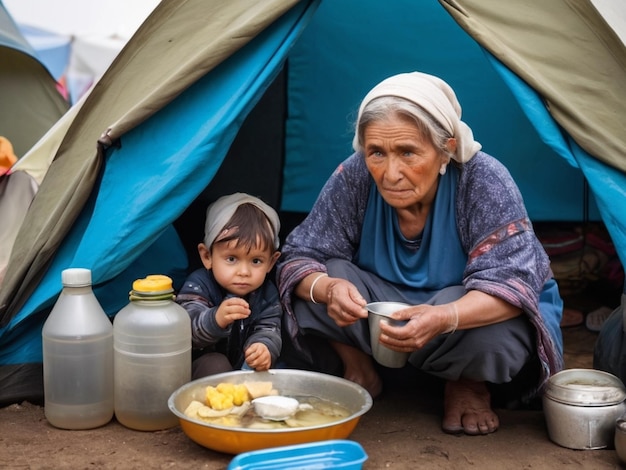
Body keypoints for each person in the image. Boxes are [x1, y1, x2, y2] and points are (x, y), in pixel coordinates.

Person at [277, 72, 563, 436]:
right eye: (376, 153)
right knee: (313, 283)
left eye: (408, 152)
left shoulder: (483, 180)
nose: (391, 173)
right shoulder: (355, 176)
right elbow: (299, 256)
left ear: (445, 148)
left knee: (501, 327)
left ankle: (468, 384)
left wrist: (445, 317)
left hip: (460, 319)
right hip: (380, 319)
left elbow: (515, 287)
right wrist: (327, 288)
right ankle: (360, 367)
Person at [176, 192, 282, 379]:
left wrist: (263, 348)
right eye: (232, 259)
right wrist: (215, 319)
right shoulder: (199, 284)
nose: (244, 271)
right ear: (207, 256)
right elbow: (186, 331)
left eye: (256, 261)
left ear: (271, 263)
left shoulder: (268, 293)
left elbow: (269, 329)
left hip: (242, 371)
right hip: (198, 374)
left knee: (269, 371)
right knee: (215, 363)